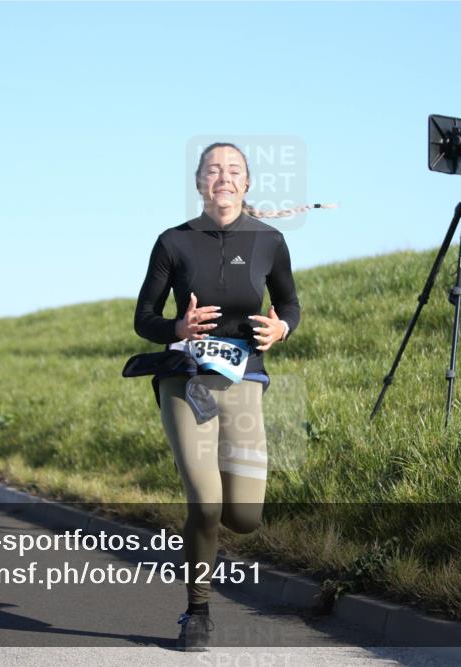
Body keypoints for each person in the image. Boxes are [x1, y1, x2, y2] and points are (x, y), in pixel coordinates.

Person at [130, 143, 319, 651]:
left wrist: (282, 329)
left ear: (247, 183)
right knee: (206, 503)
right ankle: (197, 611)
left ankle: (209, 545)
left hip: (245, 381)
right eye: (213, 170)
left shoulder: (269, 241)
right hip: (185, 380)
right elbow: (143, 318)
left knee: (245, 518)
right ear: (199, 183)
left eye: (234, 170)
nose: (223, 177)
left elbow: (290, 304)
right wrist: (178, 324)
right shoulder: (173, 242)